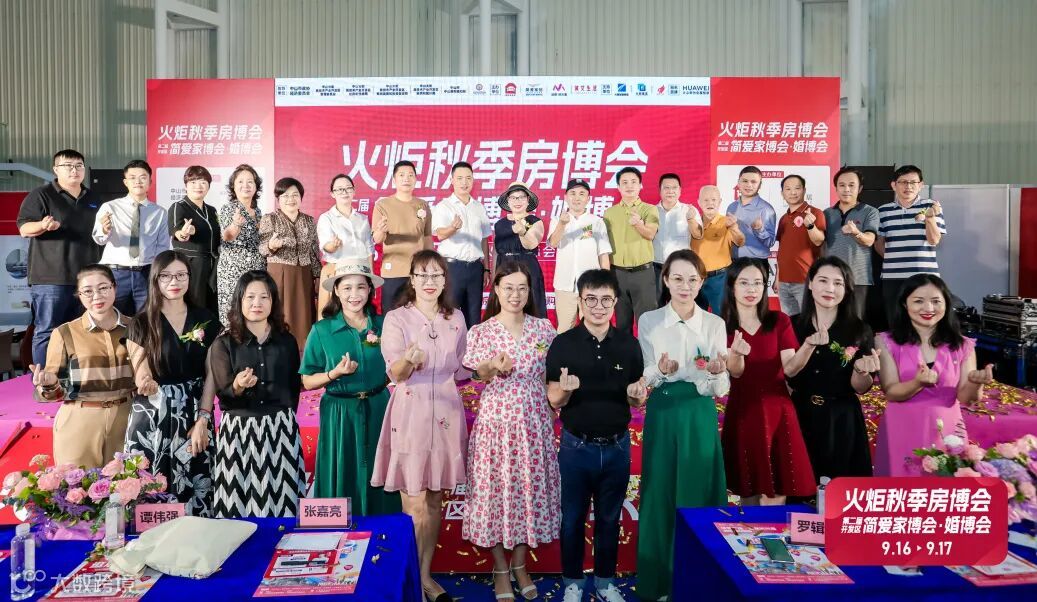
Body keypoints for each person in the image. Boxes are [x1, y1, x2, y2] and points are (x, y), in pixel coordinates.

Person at [371, 250, 469, 602]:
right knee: (413, 507)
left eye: (436, 275)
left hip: (446, 414)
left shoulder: (456, 318)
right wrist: (408, 361)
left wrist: (486, 368)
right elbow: (395, 372)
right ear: (411, 280)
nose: (429, 282)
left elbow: (462, 368)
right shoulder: (396, 318)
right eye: (422, 275)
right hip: (410, 412)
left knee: (434, 502)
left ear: (444, 281)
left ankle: (425, 575)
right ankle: (409, 580)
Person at [546, 269, 647, 602]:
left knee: (609, 518)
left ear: (615, 302)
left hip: (617, 447)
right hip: (576, 447)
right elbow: (554, 400)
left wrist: (638, 395)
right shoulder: (563, 344)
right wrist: (565, 390)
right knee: (572, 519)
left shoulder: (629, 345)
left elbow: (636, 397)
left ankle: (605, 583)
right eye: (591, 299)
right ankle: (572, 582)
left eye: (605, 300)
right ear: (580, 301)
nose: (598, 307)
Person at [635, 250, 729, 601]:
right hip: (663, 412)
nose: (685, 286)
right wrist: (660, 371)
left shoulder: (714, 324)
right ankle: (659, 582)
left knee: (698, 492)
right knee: (660, 492)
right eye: (677, 278)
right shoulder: (650, 321)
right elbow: (646, 376)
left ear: (702, 282)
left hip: (699, 414)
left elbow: (720, 388)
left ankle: (697, 584)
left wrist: (717, 373)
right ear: (665, 280)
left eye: (692, 279)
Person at [462, 261, 559, 601]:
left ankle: (520, 564)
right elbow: (476, 375)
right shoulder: (482, 331)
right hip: (496, 423)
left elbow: (550, 378)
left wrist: (558, 400)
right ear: (496, 290)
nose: (515, 295)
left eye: (522, 288)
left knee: (528, 491)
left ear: (530, 292)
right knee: (495, 492)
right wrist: (491, 366)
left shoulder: (544, 329)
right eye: (508, 288)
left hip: (534, 422)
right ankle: (500, 568)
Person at [299, 259, 401, 516]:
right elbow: (307, 380)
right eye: (346, 288)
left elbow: (396, 367)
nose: (354, 295)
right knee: (341, 468)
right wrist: (334, 373)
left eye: (360, 287)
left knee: (380, 468)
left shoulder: (385, 325)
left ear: (370, 290)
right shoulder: (322, 330)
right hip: (339, 412)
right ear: (336, 291)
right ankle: (338, 530)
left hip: (378, 406)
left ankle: (384, 529)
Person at [124, 250, 221, 516]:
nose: (174, 282)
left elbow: (211, 375)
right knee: (151, 489)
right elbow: (140, 371)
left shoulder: (206, 320)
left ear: (190, 277)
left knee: (196, 484)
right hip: (153, 413)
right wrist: (146, 382)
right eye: (165, 276)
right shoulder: (141, 322)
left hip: (193, 411)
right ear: (155, 279)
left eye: (180, 275)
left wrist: (203, 419)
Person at [873, 274, 992, 477]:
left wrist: (976, 383)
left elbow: (966, 397)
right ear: (904, 304)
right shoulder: (886, 341)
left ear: (946, 303)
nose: (928, 308)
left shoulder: (963, 345)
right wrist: (917, 383)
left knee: (943, 490)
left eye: (936, 301)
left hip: (947, 431)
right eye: (918, 301)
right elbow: (891, 391)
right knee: (901, 490)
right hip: (901, 428)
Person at [209, 271, 306, 517]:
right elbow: (223, 395)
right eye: (250, 297)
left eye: (264, 297)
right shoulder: (223, 344)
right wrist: (238, 386)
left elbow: (293, 388)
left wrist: (282, 419)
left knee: (284, 504)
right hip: (239, 432)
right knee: (236, 506)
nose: (257, 303)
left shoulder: (286, 341)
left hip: (280, 429)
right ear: (239, 300)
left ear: (273, 301)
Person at [721, 258, 815, 505]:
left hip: (779, 412)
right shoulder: (722, 326)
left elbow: (790, 368)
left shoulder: (779, 321)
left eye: (757, 283)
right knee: (747, 488)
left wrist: (807, 347)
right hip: (743, 411)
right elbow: (736, 373)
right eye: (744, 283)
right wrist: (736, 354)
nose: (751, 289)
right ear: (732, 286)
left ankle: (773, 531)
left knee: (778, 488)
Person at [28, 265, 133, 469]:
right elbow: (52, 394)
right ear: (79, 295)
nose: (97, 296)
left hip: (127, 417)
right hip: (80, 419)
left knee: (128, 485)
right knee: (77, 486)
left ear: (114, 287)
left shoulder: (136, 328)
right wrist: (49, 384)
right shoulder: (64, 333)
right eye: (88, 291)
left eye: (103, 288)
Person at [784, 257, 876, 484]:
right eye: (823, 280)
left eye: (838, 283)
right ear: (810, 283)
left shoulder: (859, 329)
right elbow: (786, 375)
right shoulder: (791, 326)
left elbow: (861, 388)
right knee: (800, 486)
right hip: (800, 414)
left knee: (841, 490)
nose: (830, 289)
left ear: (847, 289)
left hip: (842, 419)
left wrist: (861, 372)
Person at [18, 149, 103, 365]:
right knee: (47, 331)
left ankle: (75, 378)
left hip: (86, 280)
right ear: (56, 169)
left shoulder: (94, 198)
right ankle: (44, 379)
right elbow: (24, 228)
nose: (74, 170)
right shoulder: (41, 195)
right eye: (68, 166)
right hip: (51, 279)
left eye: (79, 166)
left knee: (83, 332)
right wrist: (43, 225)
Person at [92, 160, 169, 316]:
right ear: (125, 182)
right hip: (116, 273)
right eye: (132, 178)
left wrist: (157, 275)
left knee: (146, 319)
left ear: (150, 182)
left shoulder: (159, 212)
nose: (137, 182)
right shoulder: (110, 207)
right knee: (113, 318)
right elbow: (99, 239)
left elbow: (162, 247)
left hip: (146, 274)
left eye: (143, 177)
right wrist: (105, 230)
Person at [876, 165, 947, 321]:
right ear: (894, 185)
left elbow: (934, 240)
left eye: (913, 182)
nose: (908, 186)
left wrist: (929, 218)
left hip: (924, 277)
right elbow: (879, 243)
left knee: (923, 321)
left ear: (921, 185)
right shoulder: (883, 211)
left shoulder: (931, 206)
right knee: (895, 322)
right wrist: (894, 259)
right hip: (892, 277)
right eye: (903, 182)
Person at [259, 177, 321, 350]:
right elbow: (262, 248)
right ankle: (279, 351)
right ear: (278, 199)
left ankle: (303, 354)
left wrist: (318, 275)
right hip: (279, 273)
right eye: (285, 196)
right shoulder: (270, 219)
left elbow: (314, 251)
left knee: (304, 317)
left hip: (304, 274)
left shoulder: (309, 220)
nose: (290, 199)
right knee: (280, 314)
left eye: (295, 195)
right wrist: (271, 246)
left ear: (301, 197)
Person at [432, 161, 492, 328]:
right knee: (448, 315)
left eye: (468, 178)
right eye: (459, 178)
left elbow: (484, 239)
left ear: (473, 180)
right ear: (452, 180)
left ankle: (471, 346)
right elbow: (440, 234)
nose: (464, 182)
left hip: (475, 269)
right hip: (452, 268)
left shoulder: (478, 207)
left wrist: (486, 269)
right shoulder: (444, 206)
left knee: (473, 318)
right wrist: (452, 228)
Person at [548, 178, 612, 333]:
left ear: (588, 198)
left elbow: (603, 254)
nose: (577, 198)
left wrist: (606, 284)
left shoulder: (596, 222)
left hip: (591, 286)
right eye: (573, 193)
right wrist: (562, 224)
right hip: (564, 284)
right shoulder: (557, 220)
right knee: (564, 329)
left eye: (582, 194)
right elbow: (553, 243)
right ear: (565, 197)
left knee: (593, 328)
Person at [602, 167, 660, 333]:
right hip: (618, 274)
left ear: (641, 185)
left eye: (634, 182)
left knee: (647, 323)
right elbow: (604, 245)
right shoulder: (609, 213)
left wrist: (639, 225)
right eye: (625, 182)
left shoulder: (649, 209)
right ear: (618, 187)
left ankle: (647, 352)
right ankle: (624, 351)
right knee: (622, 323)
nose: (629, 186)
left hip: (643, 274)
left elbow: (650, 234)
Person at [372, 160, 433, 313]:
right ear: (394, 179)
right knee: (391, 315)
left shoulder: (423, 205)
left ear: (416, 179)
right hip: (393, 271)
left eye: (411, 175)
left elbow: (427, 237)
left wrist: (431, 266)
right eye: (402, 175)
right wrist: (381, 230)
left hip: (418, 272)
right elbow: (377, 239)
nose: (406, 178)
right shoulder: (382, 205)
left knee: (419, 315)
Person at [823, 167, 880, 319]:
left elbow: (870, 241)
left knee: (855, 321)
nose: (846, 189)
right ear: (836, 188)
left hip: (858, 278)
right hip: (831, 279)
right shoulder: (827, 213)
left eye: (851, 185)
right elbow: (821, 245)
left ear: (860, 188)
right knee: (830, 320)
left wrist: (855, 232)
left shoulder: (870, 211)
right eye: (842, 185)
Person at [316, 174, 375, 315]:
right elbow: (326, 246)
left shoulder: (362, 219)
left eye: (348, 188)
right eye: (339, 189)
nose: (344, 192)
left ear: (354, 191)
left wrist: (371, 276)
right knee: (334, 315)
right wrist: (333, 245)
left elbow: (369, 250)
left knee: (361, 315)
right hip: (337, 272)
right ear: (332, 194)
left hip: (360, 273)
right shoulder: (326, 218)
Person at [216, 164, 266, 326]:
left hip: (256, 272)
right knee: (234, 317)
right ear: (233, 186)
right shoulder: (229, 209)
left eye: (250, 181)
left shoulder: (258, 212)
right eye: (240, 182)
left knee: (254, 315)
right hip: (234, 272)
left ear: (256, 186)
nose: (246, 185)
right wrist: (236, 224)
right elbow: (227, 236)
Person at [169, 165, 222, 315]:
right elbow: (178, 231)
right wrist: (185, 233)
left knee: (212, 307)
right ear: (185, 186)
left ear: (209, 186)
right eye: (193, 182)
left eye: (203, 182)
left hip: (213, 265)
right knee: (194, 305)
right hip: (192, 264)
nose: (198, 186)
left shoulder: (212, 210)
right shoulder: (179, 206)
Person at [772, 175, 825, 315]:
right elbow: (782, 249)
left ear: (804, 190)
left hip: (805, 281)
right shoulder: (784, 218)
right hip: (783, 283)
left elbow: (819, 240)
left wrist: (810, 226)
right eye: (788, 189)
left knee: (808, 321)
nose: (793, 192)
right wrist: (777, 278)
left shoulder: (815, 213)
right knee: (790, 323)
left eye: (797, 188)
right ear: (782, 193)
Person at [493, 182, 547, 318]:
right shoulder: (499, 224)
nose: (517, 201)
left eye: (521, 197)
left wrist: (523, 232)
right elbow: (496, 250)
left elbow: (532, 244)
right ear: (508, 201)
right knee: (504, 311)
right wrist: (494, 274)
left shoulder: (535, 221)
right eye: (513, 197)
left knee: (532, 307)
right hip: (504, 266)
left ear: (528, 200)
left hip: (527, 267)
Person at [692, 185, 745, 313]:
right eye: (705, 200)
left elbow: (740, 241)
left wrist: (734, 228)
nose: (710, 203)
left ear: (720, 202)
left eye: (713, 200)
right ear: (698, 202)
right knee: (696, 317)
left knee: (722, 316)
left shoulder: (727, 221)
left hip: (719, 279)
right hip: (695, 279)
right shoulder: (693, 223)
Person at [651, 173, 703, 299]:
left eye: (674, 188)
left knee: (680, 301)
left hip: (681, 266)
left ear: (680, 190)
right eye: (666, 188)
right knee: (657, 304)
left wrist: (690, 219)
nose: (670, 191)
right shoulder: (651, 211)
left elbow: (698, 235)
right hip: (656, 267)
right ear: (660, 190)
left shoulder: (688, 210)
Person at [725, 166, 776, 260]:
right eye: (745, 181)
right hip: (733, 261)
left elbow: (770, 242)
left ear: (760, 185)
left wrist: (759, 230)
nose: (749, 185)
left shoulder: (766, 209)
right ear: (738, 183)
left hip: (757, 262)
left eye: (753, 182)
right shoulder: (731, 207)